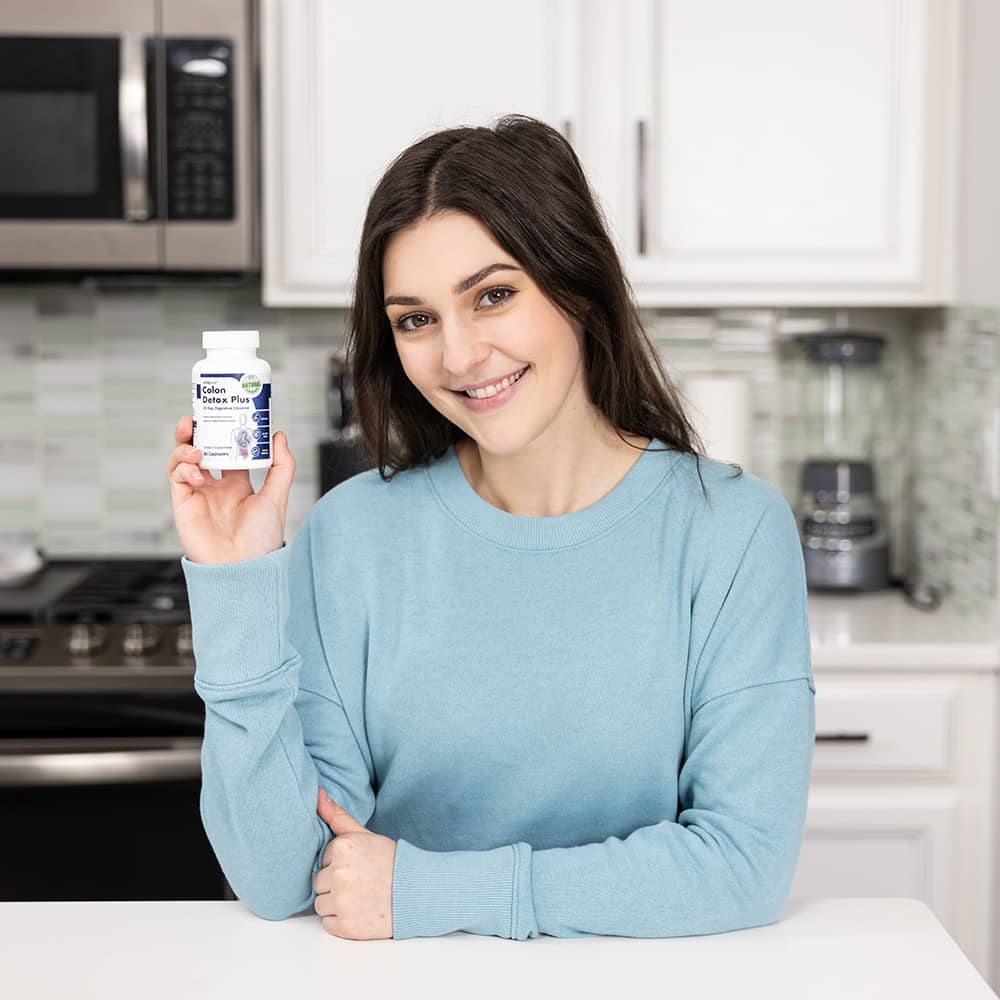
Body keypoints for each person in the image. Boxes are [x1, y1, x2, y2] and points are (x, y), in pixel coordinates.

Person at [166, 114, 815, 943]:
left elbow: (741, 865)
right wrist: (233, 585)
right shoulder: (351, 534)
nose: (461, 355)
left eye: (494, 295)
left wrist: (430, 890)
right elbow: (279, 876)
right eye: (415, 319)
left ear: (577, 285)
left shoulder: (732, 531)